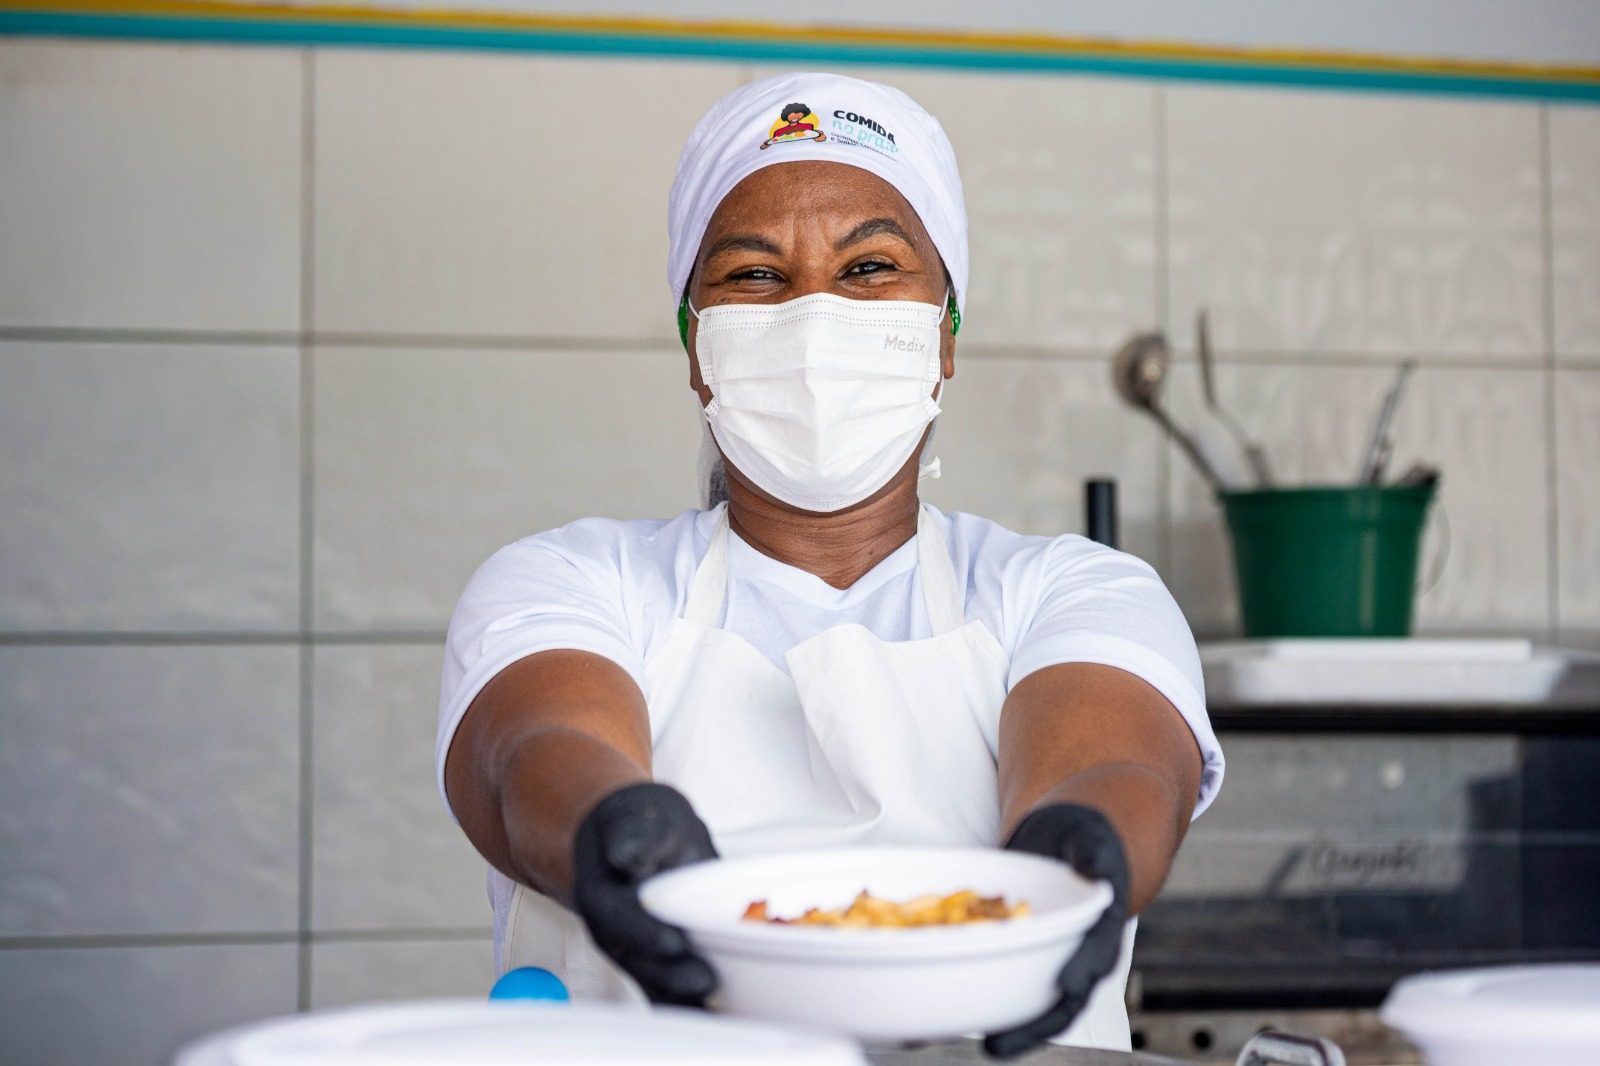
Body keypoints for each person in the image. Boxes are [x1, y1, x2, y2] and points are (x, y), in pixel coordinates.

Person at [437, 71, 1224, 1055]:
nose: (814, 317)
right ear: (695, 346)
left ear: (944, 334)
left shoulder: (1069, 591)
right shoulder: (573, 580)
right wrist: (611, 827)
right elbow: (530, 752)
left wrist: (1081, 856)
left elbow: (1114, 762)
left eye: (869, 269)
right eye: (755, 276)